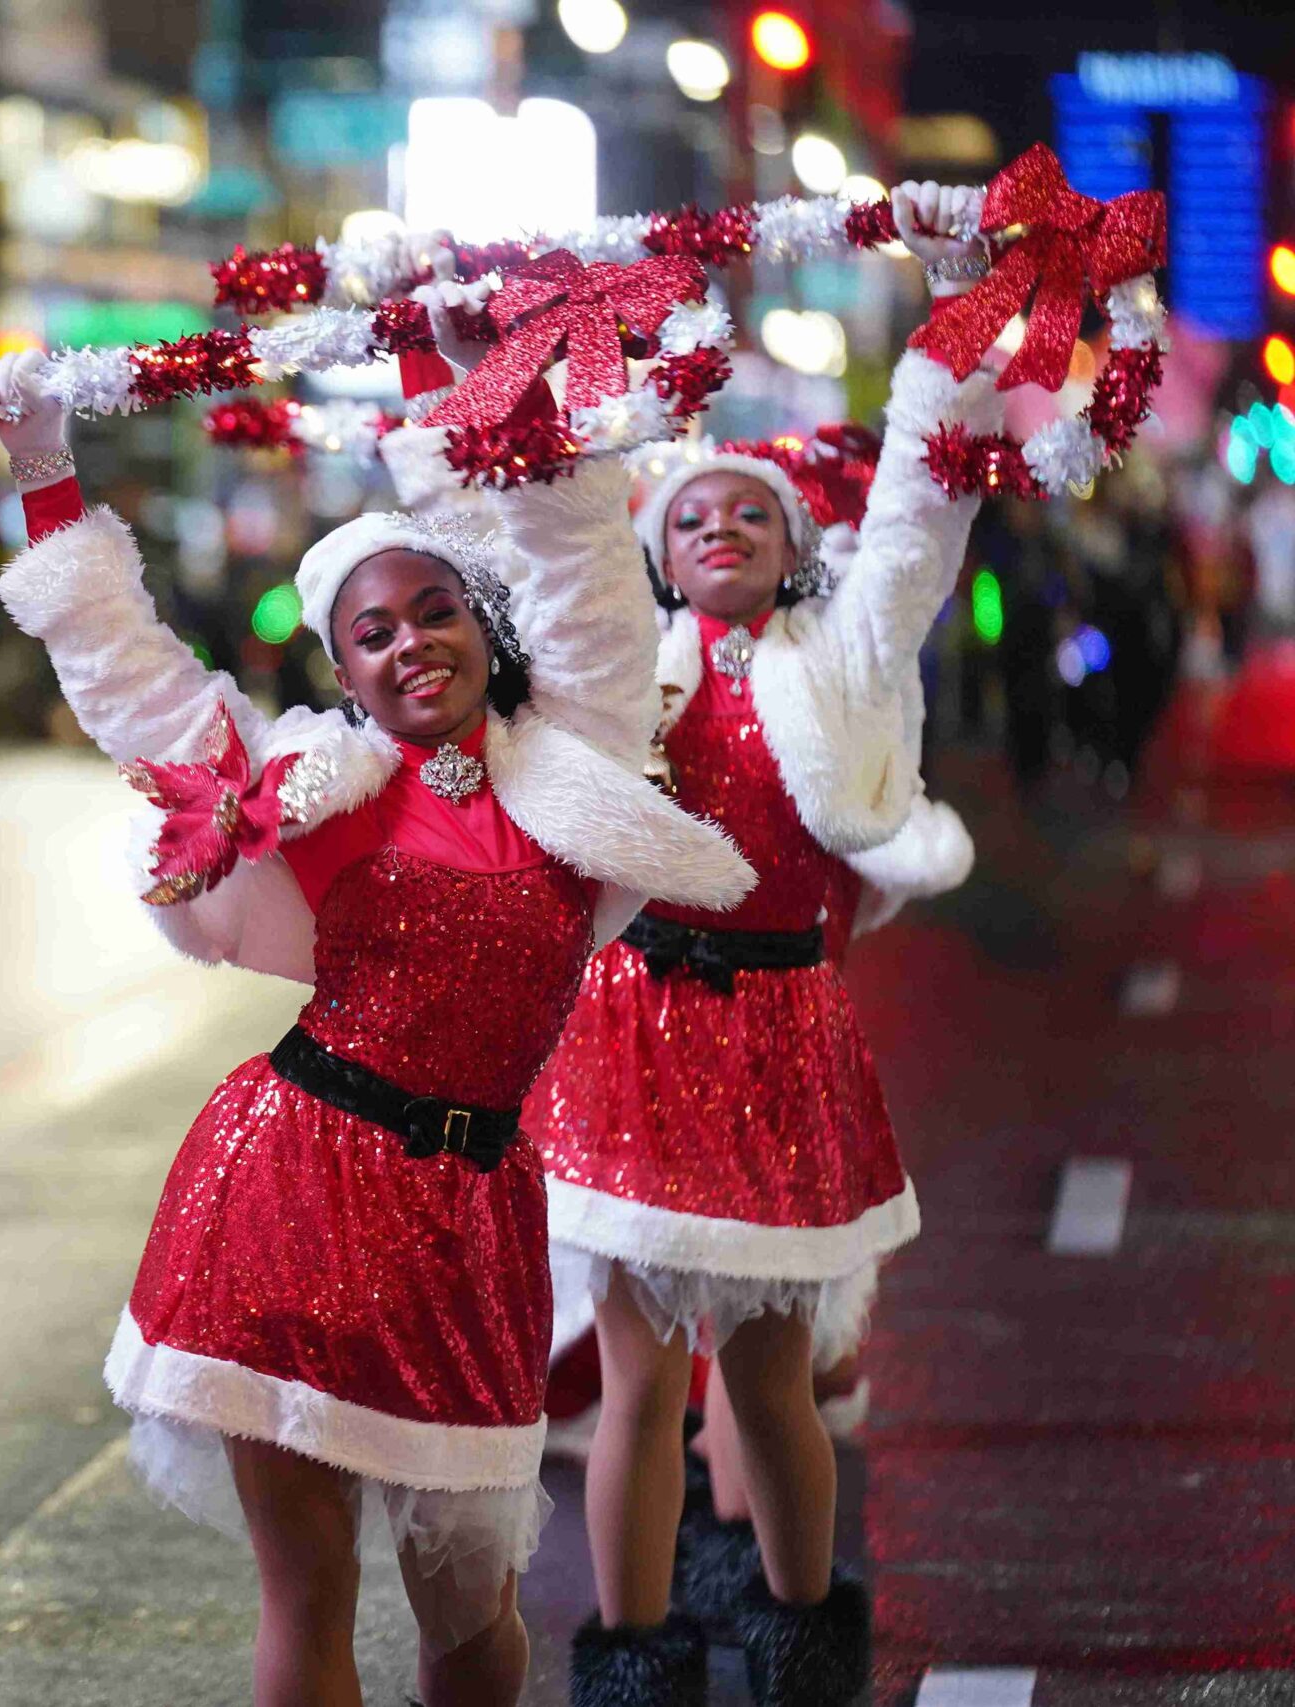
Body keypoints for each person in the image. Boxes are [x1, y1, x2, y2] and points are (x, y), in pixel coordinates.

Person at [0, 339, 754, 1707]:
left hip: (475, 1214)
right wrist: (45, 472)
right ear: (341, 668)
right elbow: (131, 680)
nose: (412, 645)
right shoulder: (312, 788)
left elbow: (585, 580)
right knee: (313, 1586)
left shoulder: (569, 766)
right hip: (294, 1189)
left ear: (482, 619)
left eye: (433, 610)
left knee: (474, 1619)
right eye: (373, 632)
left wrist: (490, 381)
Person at [520, 183, 998, 1706]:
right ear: (661, 554)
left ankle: (800, 1637)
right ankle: (634, 1649)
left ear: (792, 546)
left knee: (775, 1370)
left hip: (783, 1031)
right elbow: (522, 531)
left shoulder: (842, 654)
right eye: (690, 517)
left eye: (747, 513)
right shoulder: (621, 672)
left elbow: (923, 513)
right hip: (634, 1034)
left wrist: (961, 304)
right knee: (640, 1372)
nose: (717, 527)